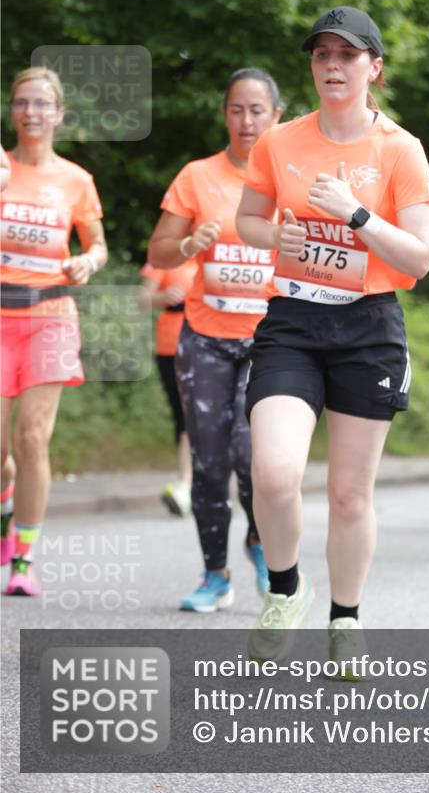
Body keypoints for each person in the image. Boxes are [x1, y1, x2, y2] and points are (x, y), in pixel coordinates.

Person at [236, 6, 429, 667]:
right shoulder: (281, 141)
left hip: (368, 328)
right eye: (321, 55)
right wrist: (278, 235)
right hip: (292, 322)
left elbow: (418, 257)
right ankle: (284, 587)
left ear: (373, 68)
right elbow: (248, 221)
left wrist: (355, 216)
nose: (332, 66)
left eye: (346, 56)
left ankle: (345, 618)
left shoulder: (398, 150)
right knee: (273, 473)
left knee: (350, 494)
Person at [147, 68, 283, 611]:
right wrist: (186, 247)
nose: (247, 120)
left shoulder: (292, 176)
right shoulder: (197, 176)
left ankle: (258, 540)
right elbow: (158, 252)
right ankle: (214, 575)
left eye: (257, 110)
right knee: (207, 461)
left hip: (270, 343)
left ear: (276, 114)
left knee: (252, 457)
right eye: (236, 110)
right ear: (224, 114)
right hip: (204, 338)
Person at [1, 67, 107, 596]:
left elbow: (98, 244)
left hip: (50, 316)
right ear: (12, 110)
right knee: (0, 450)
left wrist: (88, 261)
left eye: (42, 104)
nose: (31, 113)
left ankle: (22, 560)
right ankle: (5, 507)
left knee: (33, 436)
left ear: (59, 114)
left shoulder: (76, 181)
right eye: (22, 103)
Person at [140, 257, 198, 516]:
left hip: (210, 343)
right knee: (183, 413)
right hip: (170, 347)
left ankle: (190, 483)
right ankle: (188, 484)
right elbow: (141, 300)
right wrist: (162, 295)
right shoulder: (163, 257)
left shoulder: (216, 251)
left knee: (196, 412)